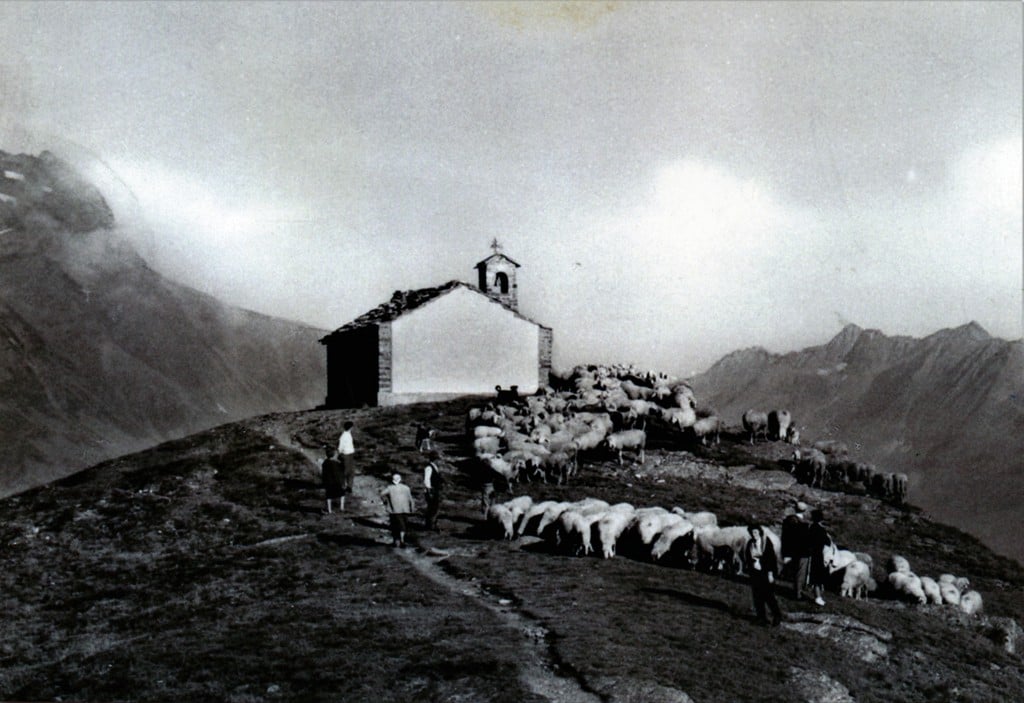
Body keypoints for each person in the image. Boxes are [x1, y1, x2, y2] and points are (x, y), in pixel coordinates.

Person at [744, 523, 782, 627]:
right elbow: (748, 557)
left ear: (759, 532)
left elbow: (771, 559)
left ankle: (777, 615)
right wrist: (752, 565)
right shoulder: (750, 543)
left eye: (755, 532)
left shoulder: (766, 542)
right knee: (757, 596)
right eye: (752, 532)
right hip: (755, 573)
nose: (754, 534)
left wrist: (770, 574)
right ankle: (761, 617)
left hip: (766, 572)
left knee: (768, 595)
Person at [781, 512, 812, 600]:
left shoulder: (787, 522)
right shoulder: (804, 525)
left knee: (795, 572)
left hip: (793, 551)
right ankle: (798, 593)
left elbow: (785, 538)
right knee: (801, 573)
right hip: (803, 552)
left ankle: (796, 591)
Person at [380, 473, 415, 548]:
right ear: (400, 479)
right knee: (403, 525)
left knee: (394, 525)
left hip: (394, 510)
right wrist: (412, 508)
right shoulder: (406, 488)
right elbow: (410, 499)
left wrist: (385, 501)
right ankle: (402, 540)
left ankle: (395, 541)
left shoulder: (390, 488)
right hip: (405, 509)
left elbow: (382, 494)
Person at [807, 508, 832, 606]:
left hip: (812, 553)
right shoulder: (821, 530)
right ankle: (817, 597)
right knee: (817, 577)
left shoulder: (811, 528)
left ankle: (817, 596)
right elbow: (828, 542)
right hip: (818, 555)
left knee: (814, 576)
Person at [318, 445, 346, 514]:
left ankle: (329, 510)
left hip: (329, 483)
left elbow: (324, 473)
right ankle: (341, 507)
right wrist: (343, 482)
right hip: (337, 483)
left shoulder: (325, 463)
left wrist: (324, 482)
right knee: (342, 494)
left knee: (329, 496)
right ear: (334, 455)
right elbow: (340, 474)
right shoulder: (336, 464)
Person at [422, 452, 445, 531]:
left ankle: (432, 524)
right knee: (432, 508)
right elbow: (426, 479)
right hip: (432, 490)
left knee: (434, 508)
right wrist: (429, 490)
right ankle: (430, 525)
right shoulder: (429, 467)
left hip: (435, 489)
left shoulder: (434, 467)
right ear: (435, 459)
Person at [337, 421, 356, 495]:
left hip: (351, 454)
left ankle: (349, 487)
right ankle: (343, 486)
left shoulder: (348, 434)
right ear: (350, 427)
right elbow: (340, 447)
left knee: (351, 471)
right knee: (346, 471)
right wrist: (340, 453)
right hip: (346, 455)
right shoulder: (343, 436)